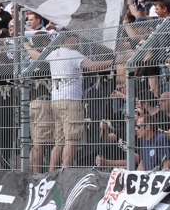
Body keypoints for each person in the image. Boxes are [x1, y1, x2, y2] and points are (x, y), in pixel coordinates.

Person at [24, 32, 113, 169]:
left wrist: (26, 46)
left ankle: (52, 174)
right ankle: (66, 173)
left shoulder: (54, 54)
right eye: (75, 36)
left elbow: (36, 56)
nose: (77, 40)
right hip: (71, 101)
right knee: (71, 141)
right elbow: (93, 66)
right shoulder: (73, 54)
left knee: (59, 142)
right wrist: (114, 61)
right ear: (67, 38)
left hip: (56, 101)